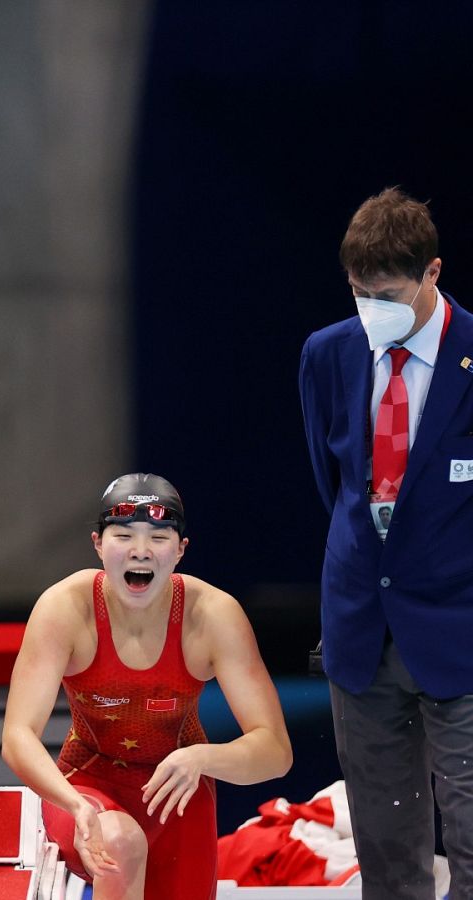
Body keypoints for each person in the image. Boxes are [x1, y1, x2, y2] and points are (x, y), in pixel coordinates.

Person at [299, 186, 473, 899]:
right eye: (358, 292)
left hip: (461, 626)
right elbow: (332, 478)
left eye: (387, 293)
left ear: (432, 273)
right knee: (386, 845)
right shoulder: (328, 354)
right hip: (360, 626)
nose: (372, 310)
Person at [1, 474, 291, 900]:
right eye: (124, 536)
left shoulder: (213, 616)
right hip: (87, 785)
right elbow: (17, 736)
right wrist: (73, 803)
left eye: (158, 537)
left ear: (180, 550)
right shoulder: (66, 608)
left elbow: (275, 753)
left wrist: (202, 757)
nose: (140, 550)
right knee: (120, 843)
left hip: (178, 798)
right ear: (98, 544)